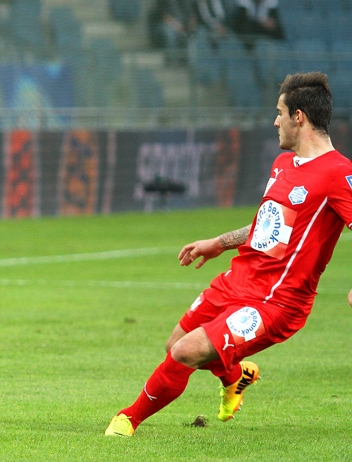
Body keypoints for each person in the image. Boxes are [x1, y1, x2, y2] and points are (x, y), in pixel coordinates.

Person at [105, 72, 352, 437]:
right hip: (238, 279)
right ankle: (236, 376)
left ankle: (127, 420)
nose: (275, 121)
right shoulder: (283, 165)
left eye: (280, 112)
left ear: (299, 116)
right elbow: (269, 228)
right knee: (174, 344)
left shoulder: (338, 173)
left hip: (275, 301)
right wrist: (218, 243)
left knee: (186, 352)